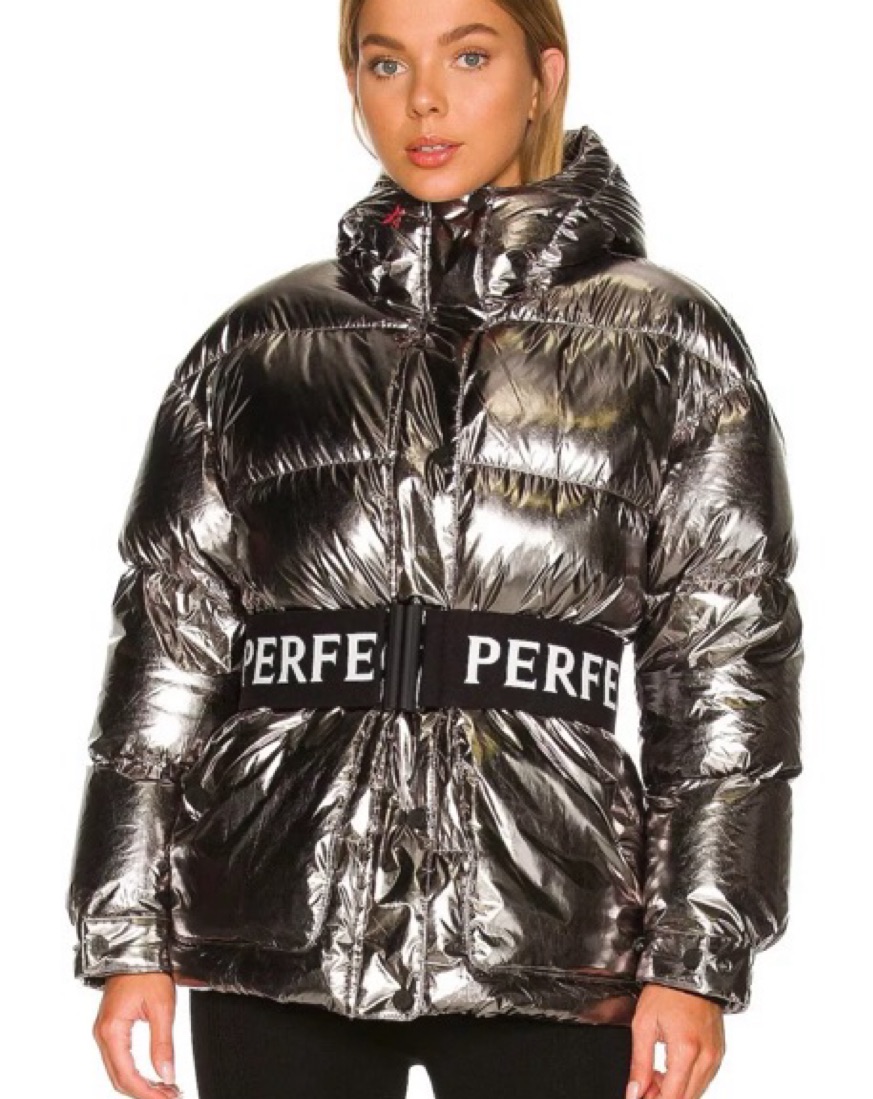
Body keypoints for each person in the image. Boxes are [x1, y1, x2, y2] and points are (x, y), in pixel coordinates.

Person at [65, 1, 804, 1098]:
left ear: (542, 74)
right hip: (274, 931)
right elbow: (167, 651)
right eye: (385, 62)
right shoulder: (255, 350)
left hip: (553, 938)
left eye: (468, 54)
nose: (424, 99)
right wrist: (128, 936)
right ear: (352, 82)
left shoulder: (670, 348)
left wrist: (695, 960)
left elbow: (724, 669)